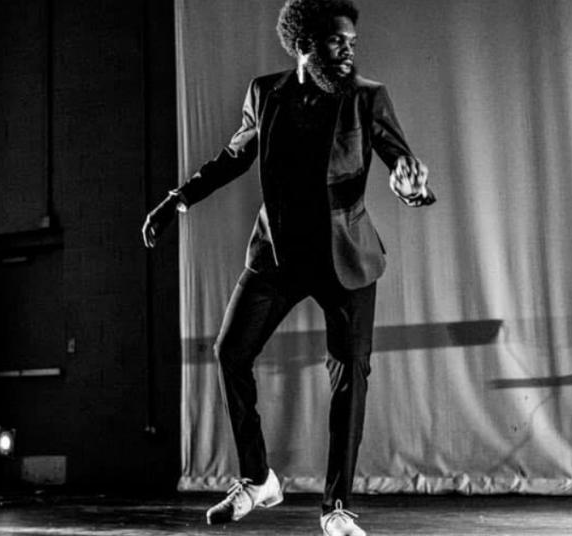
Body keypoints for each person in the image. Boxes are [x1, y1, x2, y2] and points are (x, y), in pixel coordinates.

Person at [142, 1, 433, 534]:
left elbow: (401, 160)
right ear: (303, 45)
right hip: (277, 254)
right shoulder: (265, 93)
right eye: (336, 43)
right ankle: (258, 480)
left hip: (345, 256)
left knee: (350, 377)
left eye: (351, 42)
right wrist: (177, 200)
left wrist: (412, 188)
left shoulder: (367, 98)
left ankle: (337, 507)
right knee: (231, 351)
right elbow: (234, 158)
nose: (348, 51)